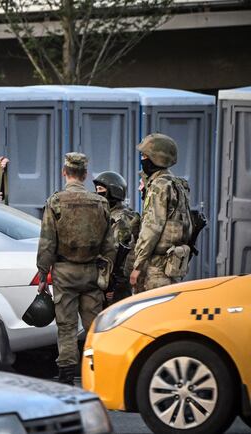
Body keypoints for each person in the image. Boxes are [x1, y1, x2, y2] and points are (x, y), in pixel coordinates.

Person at [36, 152, 115, 385]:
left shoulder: (56, 202)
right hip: (92, 273)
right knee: (94, 327)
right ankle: (100, 374)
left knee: (67, 327)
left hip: (64, 273)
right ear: (85, 175)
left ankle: (67, 376)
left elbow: (47, 243)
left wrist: (43, 274)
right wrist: (105, 273)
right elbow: (109, 245)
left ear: (65, 173)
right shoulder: (101, 203)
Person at [130, 134, 193, 292]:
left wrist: (137, 265)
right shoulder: (177, 184)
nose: (142, 159)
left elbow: (152, 228)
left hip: (157, 268)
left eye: (145, 156)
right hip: (172, 264)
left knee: (150, 313)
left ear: (156, 158)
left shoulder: (159, 186)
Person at [93, 171, 140, 304]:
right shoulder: (105, 214)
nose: (97, 193)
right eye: (96, 189)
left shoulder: (123, 217)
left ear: (114, 192)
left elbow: (116, 251)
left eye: (101, 189)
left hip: (117, 281)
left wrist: (115, 285)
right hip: (105, 278)